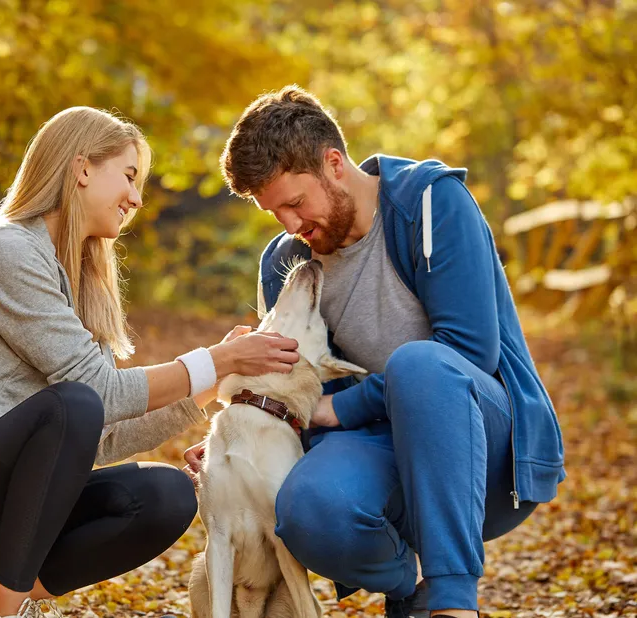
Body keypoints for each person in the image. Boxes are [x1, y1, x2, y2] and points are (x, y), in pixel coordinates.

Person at [0, 106, 301, 618]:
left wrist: (211, 388)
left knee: (165, 494)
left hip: (12, 520)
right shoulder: (7, 250)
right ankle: (6, 615)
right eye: (128, 176)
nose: (137, 197)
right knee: (77, 401)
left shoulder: (81, 287)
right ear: (82, 169)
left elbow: (97, 437)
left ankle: (0, 601)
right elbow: (93, 398)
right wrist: (214, 360)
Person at [185, 85, 565, 618]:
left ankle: (452, 603)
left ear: (334, 164)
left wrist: (341, 408)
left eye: (296, 203)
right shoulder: (287, 263)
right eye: (276, 214)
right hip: (371, 445)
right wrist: (240, 436)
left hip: (482, 442)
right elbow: (292, 385)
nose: (292, 225)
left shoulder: (433, 203)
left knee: (419, 363)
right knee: (307, 510)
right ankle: (406, 588)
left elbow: (471, 350)